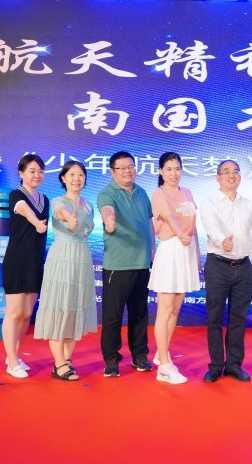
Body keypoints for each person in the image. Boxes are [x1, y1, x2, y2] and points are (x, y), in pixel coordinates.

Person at [34, 161, 98, 381]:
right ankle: (59, 362)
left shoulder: (88, 205)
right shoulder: (58, 201)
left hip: (82, 257)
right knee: (59, 305)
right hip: (62, 257)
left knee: (74, 307)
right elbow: (62, 213)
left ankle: (67, 360)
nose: (76, 179)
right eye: (71, 175)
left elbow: (85, 226)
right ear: (63, 178)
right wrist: (69, 219)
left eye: (80, 175)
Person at [97, 151, 155, 378]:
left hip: (142, 262)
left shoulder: (141, 192)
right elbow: (107, 210)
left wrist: (153, 249)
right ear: (112, 172)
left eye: (130, 166)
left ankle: (139, 354)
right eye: (121, 168)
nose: (127, 171)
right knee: (113, 315)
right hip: (118, 264)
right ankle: (111, 358)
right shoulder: (107, 193)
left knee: (139, 313)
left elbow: (149, 222)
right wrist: (108, 220)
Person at [199, 160, 252, 383]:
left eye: (236, 172)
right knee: (214, 317)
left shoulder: (247, 203)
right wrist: (223, 241)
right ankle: (215, 365)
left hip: (243, 266)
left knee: (238, 318)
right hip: (218, 265)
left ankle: (234, 365)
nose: (232, 175)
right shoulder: (209, 202)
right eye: (226, 172)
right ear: (218, 177)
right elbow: (211, 226)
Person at [148, 152, 201, 384]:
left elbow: (193, 227)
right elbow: (168, 217)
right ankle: (164, 368)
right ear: (161, 171)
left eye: (177, 168)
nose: (173, 173)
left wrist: (197, 255)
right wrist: (180, 234)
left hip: (186, 252)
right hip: (170, 249)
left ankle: (162, 354)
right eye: (168, 169)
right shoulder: (158, 194)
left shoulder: (187, 192)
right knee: (165, 309)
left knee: (175, 310)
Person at [2, 154, 49, 379]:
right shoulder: (16, 195)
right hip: (17, 260)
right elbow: (22, 208)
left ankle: (15, 354)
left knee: (27, 313)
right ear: (21, 173)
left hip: (35, 261)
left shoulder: (45, 199)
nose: (36, 175)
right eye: (31, 171)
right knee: (14, 312)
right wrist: (36, 223)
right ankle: (11, 362)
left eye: (40, 171)